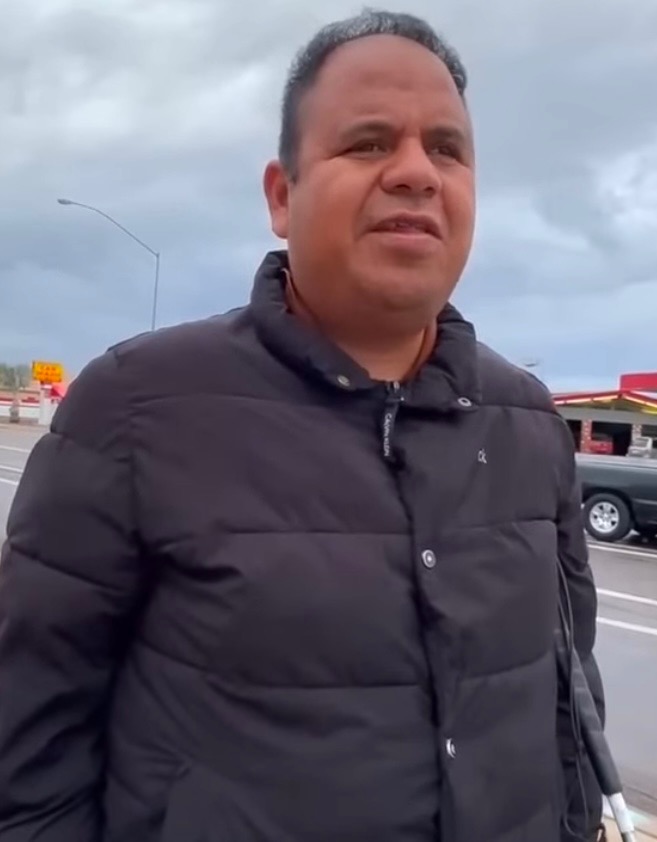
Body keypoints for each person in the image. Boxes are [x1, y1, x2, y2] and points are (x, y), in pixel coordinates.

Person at [0, 10, 606, 842]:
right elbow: (27, 748)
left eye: (446, 149)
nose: (415, 172)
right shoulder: (135, 409)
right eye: (367, 143)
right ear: (281, 197)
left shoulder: (529, 425)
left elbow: (569, 706)